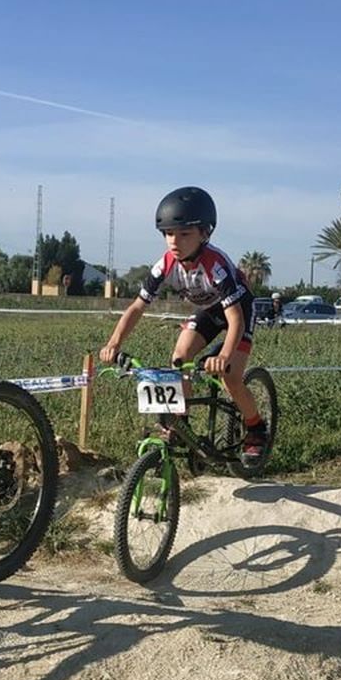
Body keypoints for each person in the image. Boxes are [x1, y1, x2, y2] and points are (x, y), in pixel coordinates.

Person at [99, 187, 269, 469]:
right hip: (210, 311)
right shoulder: (165, 265)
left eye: (184, 234)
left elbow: (235, 319)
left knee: (231, 377)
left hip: (239, 310)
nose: (174, 241)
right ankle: (182, 424)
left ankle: (256, 428)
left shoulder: (216, 265)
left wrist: (224, 357)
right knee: (180, 357)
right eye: (168, 233)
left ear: (205, 233)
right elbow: (137, 307)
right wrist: (113, 344)